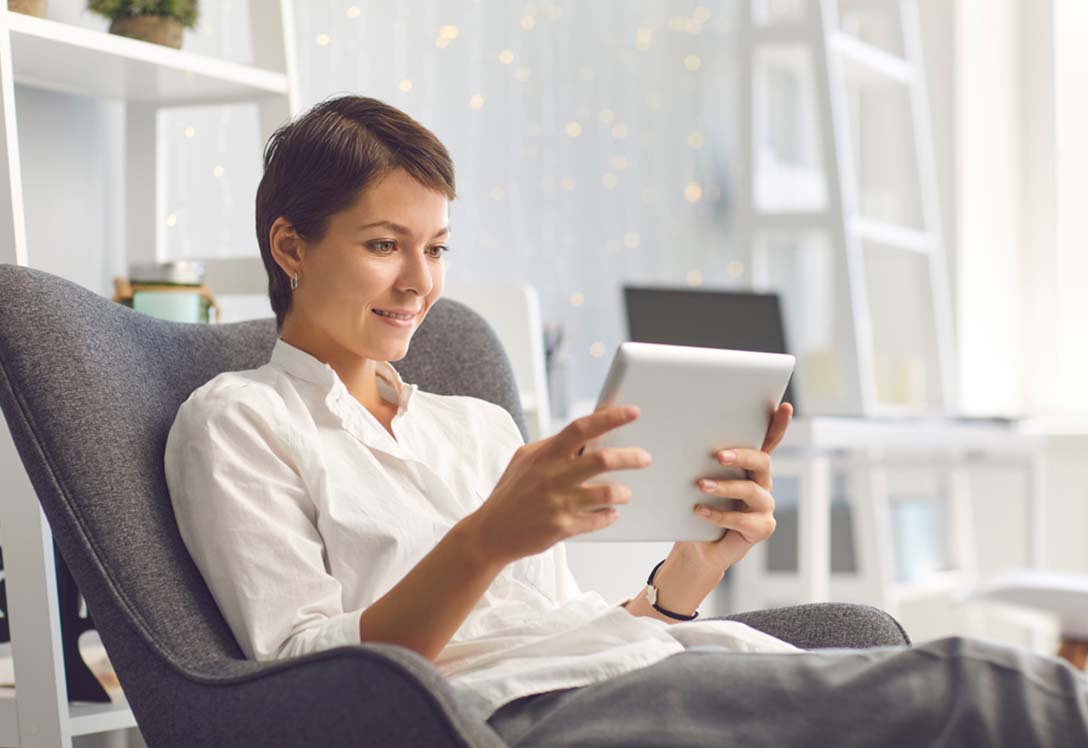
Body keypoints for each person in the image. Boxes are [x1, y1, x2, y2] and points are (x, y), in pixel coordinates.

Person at [163, 95, 1088, 747]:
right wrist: (484, 540)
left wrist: (690, 572)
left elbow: (560, 621)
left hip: (630, 670)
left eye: (436, 248)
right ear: (291, 246)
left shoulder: (477, 428)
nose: (419, 282)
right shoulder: (240, 421)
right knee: (995, 689)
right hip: (511, 716)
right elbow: (306, 687)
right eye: (382, 246)